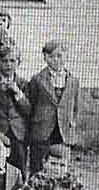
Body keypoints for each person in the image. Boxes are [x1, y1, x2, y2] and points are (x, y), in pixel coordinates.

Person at [27, 40, 80, 173]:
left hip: (63, 131)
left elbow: (74, 107)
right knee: (38, 165)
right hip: (42, 130)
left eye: (59, 56)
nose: (56, 60)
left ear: (66, 56)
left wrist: (70, 124)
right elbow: (31, 105)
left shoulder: (73, 81)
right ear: (45, 57)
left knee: (62, 165)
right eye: (51, 56)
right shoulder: (37, 79)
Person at [0, 45, 31, 177]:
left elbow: (28, 109)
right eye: (5, 61)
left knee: (19, 164)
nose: (8, 65)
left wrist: (17, 92)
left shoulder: (23, 83)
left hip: (18, 131)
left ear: (18, 63)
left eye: (12, 61)